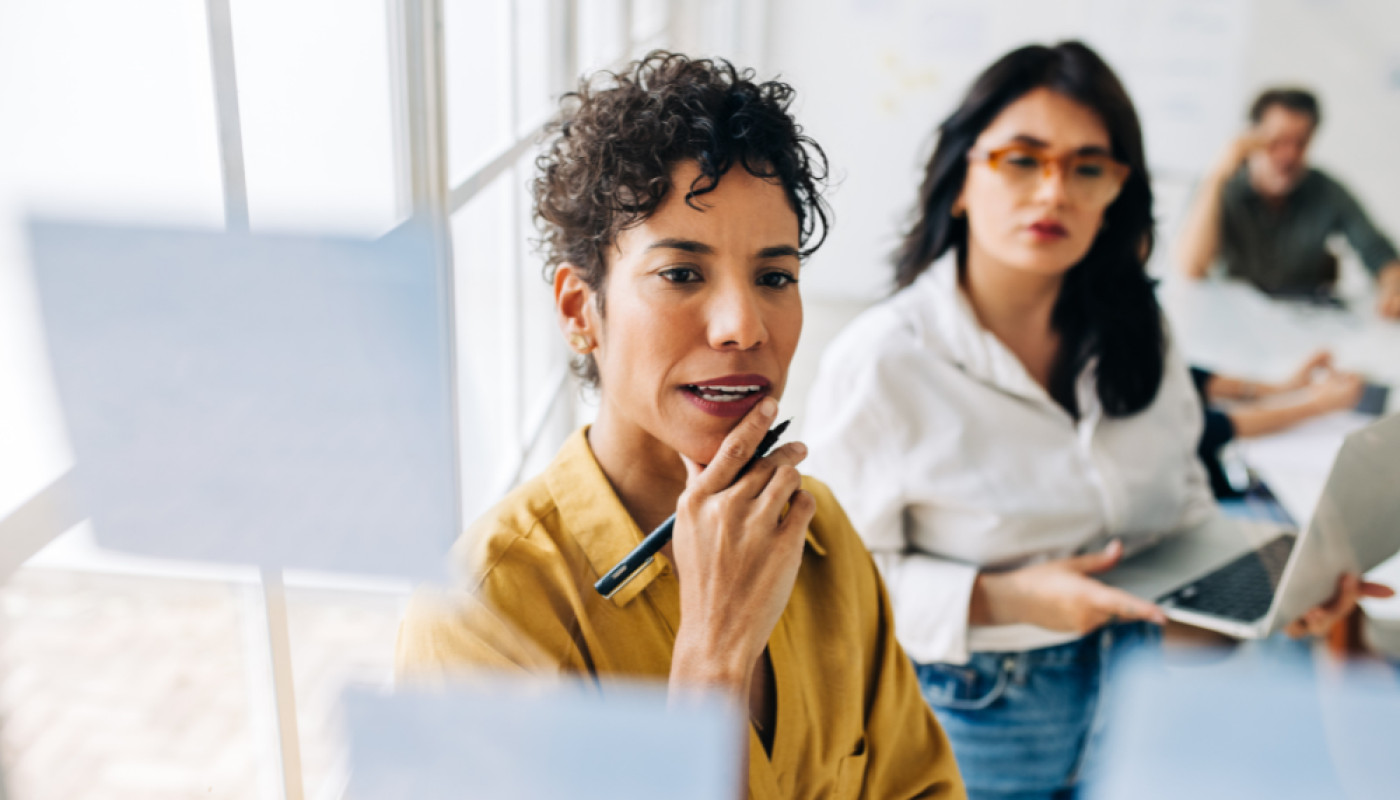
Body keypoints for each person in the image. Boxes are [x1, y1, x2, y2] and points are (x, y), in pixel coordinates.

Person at [803, 42, 1389, 800]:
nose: (1054, 192)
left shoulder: (1139, 330)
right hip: (969, 714)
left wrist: (1274, 603)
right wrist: (1008, 597)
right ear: (960, 181)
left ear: (1117, 190)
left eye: (1087, 167)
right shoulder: (883, 361)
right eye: (1022, 159)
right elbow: (825, 595)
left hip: (1141, 692)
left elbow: (1175, 528)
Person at [395, 52, 964, 800]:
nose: (743, 325)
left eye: (775, 276)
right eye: (681, 274)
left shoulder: (821, 537)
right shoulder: (483, 614)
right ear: (579, 311)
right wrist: (712, 660)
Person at [1176, 87, 1400, 317]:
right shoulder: (1219, 186)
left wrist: (1393, 288)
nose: (1289, 155)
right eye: (1277, 141)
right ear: (1251, 137)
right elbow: (1192, 269)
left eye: (1300, 143)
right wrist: (1217, 176)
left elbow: (1380, 253)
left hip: (1301, 323)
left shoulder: (1326, 190)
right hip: (1232, 322)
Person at [1191, 351, 1365, 498]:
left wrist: (1281, 389)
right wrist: (1319, 406)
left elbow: (1186, 376)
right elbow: (1211, 428)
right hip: (1209, 483)